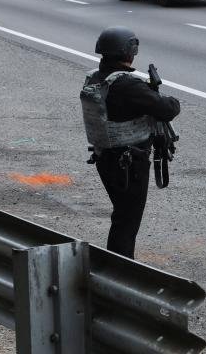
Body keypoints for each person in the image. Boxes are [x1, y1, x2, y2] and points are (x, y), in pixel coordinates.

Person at [80, 27, 180, 258]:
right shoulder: (127, 85)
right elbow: (167, 109)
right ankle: (121, 268)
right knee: (127, 220)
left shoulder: (96, 78)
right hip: (129, 162)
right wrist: (168, 100)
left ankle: (118, 265)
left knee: (122, 214)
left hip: (104, 156)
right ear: (129, 52)